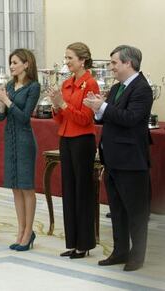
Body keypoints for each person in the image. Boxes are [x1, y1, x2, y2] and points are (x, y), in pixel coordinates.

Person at [83, 45, 152, 271]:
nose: (111, 67)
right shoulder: (116, 89)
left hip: (131, 160)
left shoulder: (142, 88)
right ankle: (120, 251)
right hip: (112, 158)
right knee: (117, 210)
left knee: (135, 212)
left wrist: (102, 106)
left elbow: (131, 118)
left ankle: (137, 256)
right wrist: (97, 108)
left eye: (114, 63)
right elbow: (108, 119)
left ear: (128, 63)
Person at [48, 42, 99, 259]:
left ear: (82, 60)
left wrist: (65, 106)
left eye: (70, 58)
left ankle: (85, 242)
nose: (66, 62)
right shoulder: (67, 83)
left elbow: (86, 118)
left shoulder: (91, 84)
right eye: (66, 58)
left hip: (82, 140)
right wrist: (55, 105)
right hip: (66, 138)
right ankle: (72, 241)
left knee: (83, 192)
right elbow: (61, 118)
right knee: (68, 190)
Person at [0, 48, 40, 251]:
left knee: (27, 187)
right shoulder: (10, 85)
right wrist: (1, 104)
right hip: (10, 140)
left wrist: (7, 101)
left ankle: (28, 232)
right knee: (15, 187)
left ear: (26, 64)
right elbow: (1, 118)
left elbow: (24, 117)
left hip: (24, 141)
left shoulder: (33, 87)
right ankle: (20, 230)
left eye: (15, 62)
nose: (11, 66)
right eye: (10, 62)